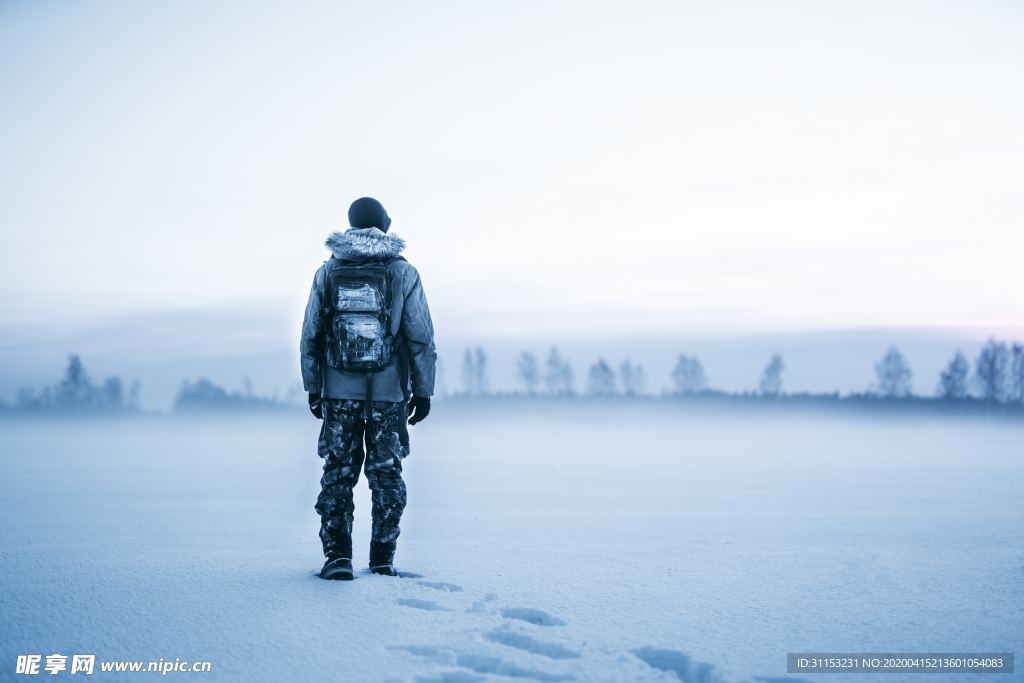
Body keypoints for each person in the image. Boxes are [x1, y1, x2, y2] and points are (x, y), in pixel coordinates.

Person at [300, 197, 436, 580]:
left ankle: (337, 557)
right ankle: (382, 559)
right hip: (389, 393)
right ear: (385, 225)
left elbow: (310, 334)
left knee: (338, 473)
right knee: (387, 476)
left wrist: (314, 386)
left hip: (338, 392)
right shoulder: (402, 272)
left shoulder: (328, 272)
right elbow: (420, 336)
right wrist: (423, 390)